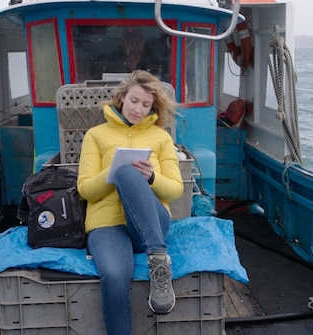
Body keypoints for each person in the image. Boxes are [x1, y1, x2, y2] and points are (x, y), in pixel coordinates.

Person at [76, 70, 184, 335]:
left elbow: (175, 190)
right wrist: (113, 171)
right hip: (107, 226)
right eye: (134, 100)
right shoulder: (95, 135)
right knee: (113, 276)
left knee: (132, 172)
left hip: (151, 227)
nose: (138, 109)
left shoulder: (162, 138)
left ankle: (158, 259)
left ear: (152, 107)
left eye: (146, 104)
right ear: (122, 98)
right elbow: (85, 190)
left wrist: (152, 178)